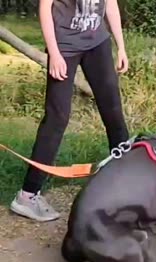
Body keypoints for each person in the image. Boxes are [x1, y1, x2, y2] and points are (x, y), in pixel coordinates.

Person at [9, 0, 130, 222]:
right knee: (57, 118)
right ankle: (27, 195)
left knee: (113, 109)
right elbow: (45, 8)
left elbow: (110, 5)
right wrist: (54, 53)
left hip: (98, 43)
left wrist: (121, 46)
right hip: (65, 45)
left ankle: (126, 180)